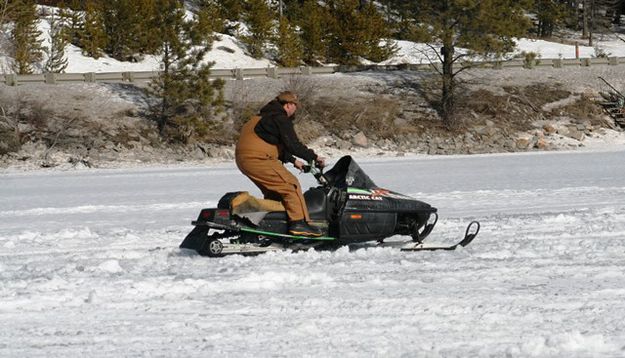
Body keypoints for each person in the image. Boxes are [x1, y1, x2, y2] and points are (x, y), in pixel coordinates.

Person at [235, 91, 326, 237]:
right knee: (291, 186)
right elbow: (293, 144)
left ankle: (273, 225)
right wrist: (314, 157)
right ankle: (299, 224)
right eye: (295, 106)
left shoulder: (261, 117)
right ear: (289, 105)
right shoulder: (280, 118)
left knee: (275, 192)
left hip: (245, 159)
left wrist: (294, 161)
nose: (295, 110)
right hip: (258, 159)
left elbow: (271, 142)